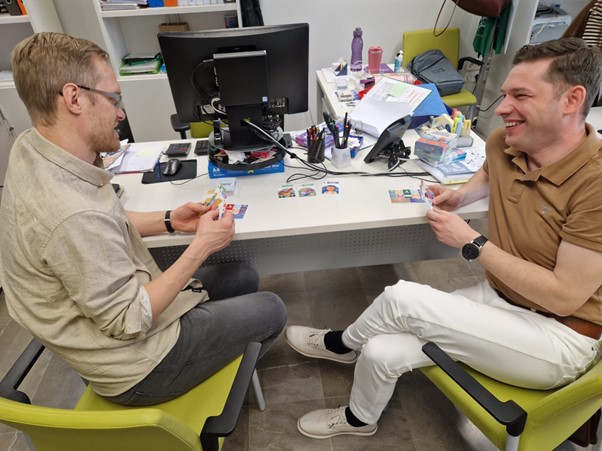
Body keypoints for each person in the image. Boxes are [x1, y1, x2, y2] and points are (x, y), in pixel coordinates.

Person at [285, 37, 602, 439]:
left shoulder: (596, 182)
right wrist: (462, 194)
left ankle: (342, 344)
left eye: (520, 95)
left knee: (403, 298)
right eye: (505, 94)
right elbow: (490, 172)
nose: (502, 108)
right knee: (381, 351)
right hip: (502, 298)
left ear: (572, 100)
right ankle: (359, 419)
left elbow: (564, 296)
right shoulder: (506, 141)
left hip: (559, 336)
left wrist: (473, 242)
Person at [0, 32, 287, 406]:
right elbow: (130, 320)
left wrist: (171, 220)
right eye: (112, 98)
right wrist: (200, 246)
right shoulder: (70, 213)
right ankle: (197, 387)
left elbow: (104, 221)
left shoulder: (33, 149)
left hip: (116, 324)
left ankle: (214, 350)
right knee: (273, 309)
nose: (120, 113)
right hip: (138, 365)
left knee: (242, 274)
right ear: (73, 98)